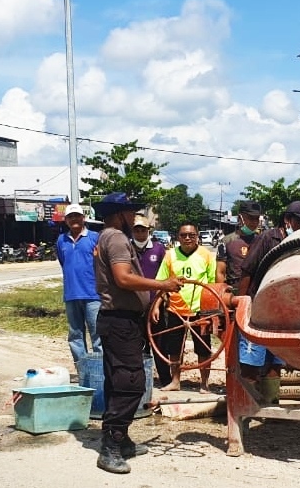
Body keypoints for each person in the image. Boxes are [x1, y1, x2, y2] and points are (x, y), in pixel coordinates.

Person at [92, 192, 183, 474]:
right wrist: (162, 284)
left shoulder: (106, 237)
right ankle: (111, 447)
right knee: (130, 383)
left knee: (116, 381)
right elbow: (122, 278)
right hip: (120, 322)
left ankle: (122, 439)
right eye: (131, 213)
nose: (135, 218)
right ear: (120, 214)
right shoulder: (117, 238)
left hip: (116, 320)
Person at [237, 201, 300, 403]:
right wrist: (241, 304)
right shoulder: (268, 238)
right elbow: (248, 270)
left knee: (275, 362)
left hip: (285, 312)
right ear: (288, 220)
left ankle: (271, 407)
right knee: (251, 364)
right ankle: (244, 407)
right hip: (259, 309)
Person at [152, 222, 217, 393]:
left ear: (197, 236)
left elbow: (212, 285)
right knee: (174, 348)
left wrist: (213, 310)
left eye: (191, 235)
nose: (187, 238)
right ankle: (175, 381)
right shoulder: (170, 255)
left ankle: (204, 383)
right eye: (183, 235)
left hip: (200, 310)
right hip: (176, 309)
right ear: (178, 237)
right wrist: (157, 306)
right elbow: (162, 282)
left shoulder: (207, 255)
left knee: (203, 347)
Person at [56, 203, 101, 364]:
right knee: (75, 335)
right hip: (71, 294)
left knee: (97, 335)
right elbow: (64, 262)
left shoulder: (95, 237)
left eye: (77, 216)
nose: (74, 219)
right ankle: (83, 369)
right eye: (70, 217)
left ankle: (100, 371)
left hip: (93, 294)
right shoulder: (61, 240)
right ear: (66, 220)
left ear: (83, 218)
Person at [130, 214, 169, 386]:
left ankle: (165, 378)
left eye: (142, 230)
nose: (139, 233)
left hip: (155, 304)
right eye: (136, 230)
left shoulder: (159, 249)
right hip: (133, 304)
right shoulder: (127, 248)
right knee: (137, 344)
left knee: (159, 343)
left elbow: (166, 276)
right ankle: (141, 379)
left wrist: (161, 300)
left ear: (148, 231)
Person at [216, 200, 262, 291]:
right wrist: (222, 293)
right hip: (234, 292)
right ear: (240, 218)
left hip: (256, 291)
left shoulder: (262, 241)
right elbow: (220, 272)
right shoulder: (226, 242)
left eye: (256, 218)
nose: (254, 222)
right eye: (250, 218)